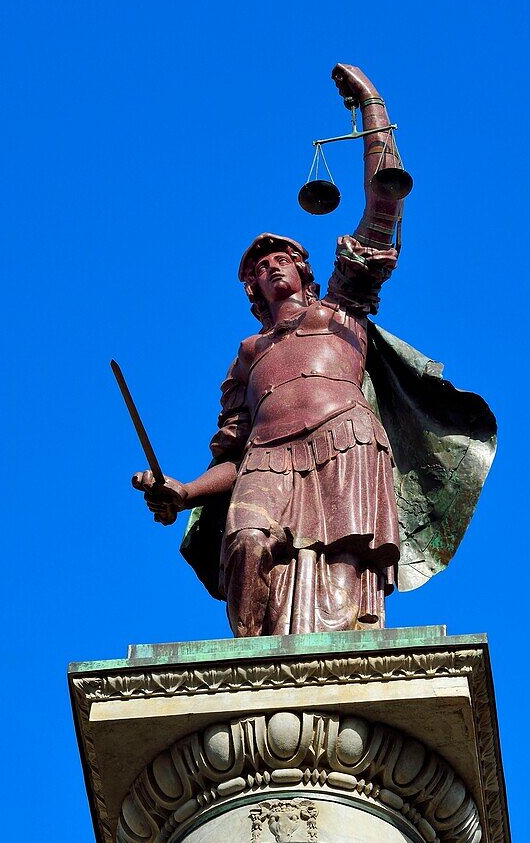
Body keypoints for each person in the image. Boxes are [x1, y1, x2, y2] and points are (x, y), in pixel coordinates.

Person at [132, 65, 497, 637]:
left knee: (343, 585)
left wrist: (373, 110)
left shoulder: (340, 310)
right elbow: (232, 452)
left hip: (344, 441)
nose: (271, 264)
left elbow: (383, 209)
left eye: (281, 257)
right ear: (251, 290)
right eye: (259, 266)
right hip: (266, 459)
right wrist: (182, 493)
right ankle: (248, 674)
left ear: (303, 270)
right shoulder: (249, 356)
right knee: (248, 545)